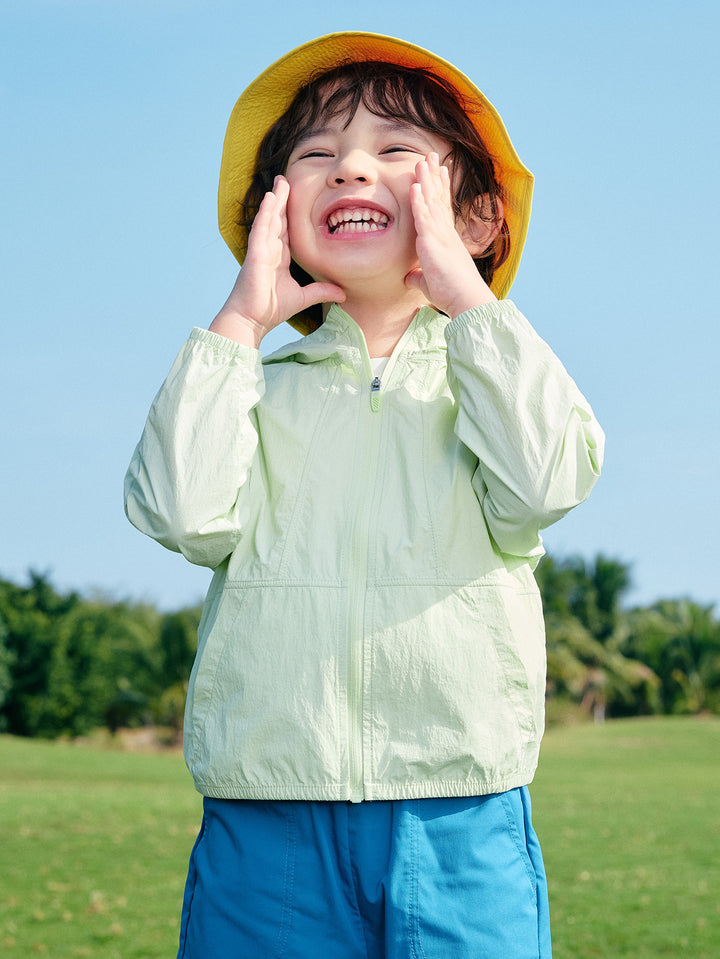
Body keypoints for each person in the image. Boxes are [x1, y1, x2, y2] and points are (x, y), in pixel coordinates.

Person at [124, 31, 604, 959]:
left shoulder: (491, 381)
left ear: (474, 218)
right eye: (314, 156)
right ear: (276, 218)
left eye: (395, 152)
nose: (350, 168)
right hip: (269, 813)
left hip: (459, 811)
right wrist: (239, 320)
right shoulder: (253, 385)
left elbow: (547, 477)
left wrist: (472, 303)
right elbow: (181, 509)